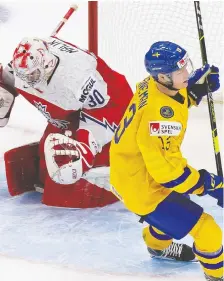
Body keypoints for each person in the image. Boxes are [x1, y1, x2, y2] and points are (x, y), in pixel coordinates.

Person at [109, 41, 223, 280]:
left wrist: (193, 90)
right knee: (208, 229)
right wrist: (209, 183)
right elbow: (169, 174)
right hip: (142, 187)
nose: (187, 73)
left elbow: (171, 102)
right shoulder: (159, 117)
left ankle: (157, 246)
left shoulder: (151, 85)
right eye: (180, 71)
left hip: (131, 171)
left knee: (180, 200)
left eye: (185, 66)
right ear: (163, 76)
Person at [0, 36, 133, 208]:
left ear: (47, 65)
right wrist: (4, 85)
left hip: (111, 104)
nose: (27, 81)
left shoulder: (78, 78)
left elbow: (102, 111)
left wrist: (86, 146)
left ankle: (111, 172)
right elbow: (12, 74)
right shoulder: (31, 61)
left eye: (32, 75)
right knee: (47, 151)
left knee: (68, 163)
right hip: (75, 108)